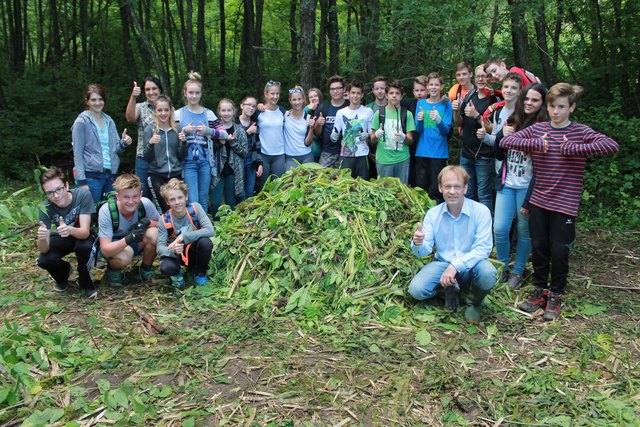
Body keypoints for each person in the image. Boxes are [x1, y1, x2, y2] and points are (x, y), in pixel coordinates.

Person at [500, 83, 619, 320]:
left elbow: (611, 145)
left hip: (565, 202)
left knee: (559, 250)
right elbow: (505, 142)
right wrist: (534, 144)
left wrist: (575, 149)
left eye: (561, 107)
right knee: (540, 248)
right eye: (552, 106)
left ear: (571, 107)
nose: (555, 112)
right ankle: (540, 291)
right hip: (539, 200)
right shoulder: (539, 130)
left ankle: (556, 294)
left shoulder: (580, 132)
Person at [408, 165, 497, 322]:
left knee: (488, 272)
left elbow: (483, 248)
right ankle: (446, 290)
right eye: (448, 186)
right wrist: (418, 244)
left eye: (457, 186)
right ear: (441, 188)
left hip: (471, 265)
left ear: (465, 188)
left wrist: (455, 266)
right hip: (442, 264)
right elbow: (423, 252)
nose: (452, 191)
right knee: (416, 290)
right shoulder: (433, 214)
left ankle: (473, 303)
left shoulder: (481, 212)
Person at [36, 167, 97, 298]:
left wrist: (69, 229)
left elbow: (85, 232)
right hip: (62, 236)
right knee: (44, 260)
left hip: (81, 234)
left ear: (67, 185)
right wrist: (41, 238)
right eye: (50, 193)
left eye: (59, 189)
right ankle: (63, 275)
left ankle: (85, 282)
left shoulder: (82, 195)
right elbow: (44, 249)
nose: (56, 196)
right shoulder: (44, 207)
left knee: (85, 247)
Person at [174, 71, 227, 211]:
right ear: (185, 93)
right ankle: (194, 227)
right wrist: (183, 130)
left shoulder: (207, 113)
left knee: (204, 199)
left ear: (201, 94)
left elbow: (224, 134)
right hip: (187, 162)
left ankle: (203, 230)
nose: (194, 96)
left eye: (197, 93)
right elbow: (170, 135)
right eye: (191, 92)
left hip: (205, 162)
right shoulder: (178, 114)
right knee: (192, 199)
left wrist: (208, 131)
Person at [72, 84, 133, 203]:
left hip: (111, 176)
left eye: (100, 99)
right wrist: (81, 181)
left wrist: (124, 143)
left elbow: (116, 150)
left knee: (109, 212)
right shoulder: (81, 122)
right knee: (91, 213)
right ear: (87, 101)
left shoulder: (109, 120)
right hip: (91, 177)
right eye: (93, 100)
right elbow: (77, 154)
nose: (97, 103)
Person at [98, 174, 160, 287]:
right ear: (118, 196)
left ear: (140, 194)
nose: (131, 201)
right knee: (124, 258)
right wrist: (128, 238)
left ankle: (146, 268)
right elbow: (105, 250)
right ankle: (113, 270)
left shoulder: (145, 204)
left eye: (135, 196)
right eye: (126, 197)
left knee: (154, 233)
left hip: (138, 241)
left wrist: (149, 222)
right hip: (116, 245)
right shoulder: (106, 211)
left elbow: (164, 226)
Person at [454, 65, 499, 212]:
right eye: (478, 76)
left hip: (484, 155)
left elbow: (495, 130)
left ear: (490, 78)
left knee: (484, 194)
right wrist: (456, 110)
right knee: (467, 192)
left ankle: (485, 229)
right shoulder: (469, 96)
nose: (481, 79)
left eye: (484, 76)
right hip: (466, 153)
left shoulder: (495, 100)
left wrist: (477, 115)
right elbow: (459, 122)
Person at [157, 179, 214, 287]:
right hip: (176, 254)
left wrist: (184, 236)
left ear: (186, 197)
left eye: (180, 197)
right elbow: (159, 248)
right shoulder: (164, 219)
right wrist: (172, 251)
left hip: (193, 251)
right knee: (166, 267)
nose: (177, 202)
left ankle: (199, 273)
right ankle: (176, 274)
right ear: (167, 202)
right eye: (172, 199)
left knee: (206, 243)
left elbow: (210, 230)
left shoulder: (195, 208)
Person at [143, 95, 188, 213]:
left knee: (178, 206)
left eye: (166, 110)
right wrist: (151, 143)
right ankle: (166, 230)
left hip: (175, 173)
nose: (163, 113)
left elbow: (181, 156)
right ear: (154, 112)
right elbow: (147, 157)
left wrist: (183, 143)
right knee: (164, 207)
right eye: (160, 110)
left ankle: (181, 231)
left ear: (171, 111)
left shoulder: (177, 130)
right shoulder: (150, 130)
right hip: (156, 174)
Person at [415, 72, 453, 203]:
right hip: (422, 151)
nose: (433, 87)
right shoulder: (421, 103)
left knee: (436, 189)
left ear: (441, 86)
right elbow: (418, 130)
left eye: (436, 84)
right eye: (431, 84)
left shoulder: (446, 105)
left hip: (439, 153)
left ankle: (437, 217)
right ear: (427, 86)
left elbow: (446, 131)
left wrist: (438, 119)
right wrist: (419, 121)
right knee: (421, 187)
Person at [370, 80, 416, 183]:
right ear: (386, 95)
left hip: (402, 159)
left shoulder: (407, 114)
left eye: (397, 93)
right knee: (384, 192)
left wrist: (404, 137)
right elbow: (372, 139)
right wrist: (377, 135)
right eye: (391, 93)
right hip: (383, 159)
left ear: (402, 96)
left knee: (401, 192)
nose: (394, 96)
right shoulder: (379, 114)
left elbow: (410, 140)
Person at [125, 76, 163, 199]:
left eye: (154, 88)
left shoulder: (168, 108)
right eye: (147, 89)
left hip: (163, 160)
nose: (151, 92)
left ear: (160, 89)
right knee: (142, 195)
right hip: (143, 159)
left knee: (163, 195)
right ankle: (144, 219)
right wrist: (133, 96)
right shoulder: (140, 107)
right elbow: (130, 118)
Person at [210, 99, 248, 219]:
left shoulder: (240, 130)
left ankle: (230, 228)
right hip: (217, 171)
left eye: (229, 110)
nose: (226, 113)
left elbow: (244, 153)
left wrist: (232, 142)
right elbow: (210, 150)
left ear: (233, 112)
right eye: (223, 110)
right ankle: (216, 228)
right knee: (215, 202)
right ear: (219, 112)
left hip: (233, 171)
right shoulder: (215, 130)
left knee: (231, 203)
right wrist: (220, 143)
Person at [332, 80, 373, 179]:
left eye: (358, 93)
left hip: (362, 155)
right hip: (345, 155)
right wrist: (334, 136)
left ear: (362, 95)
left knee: (362, 185)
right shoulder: (340, 113)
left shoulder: (368, 111)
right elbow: (334, 136)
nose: (355, 96)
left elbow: (372, 133)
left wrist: (367, 135)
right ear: (348, 94)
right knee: (345, 185)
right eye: (353, 93)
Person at [313, 75, 349, 168]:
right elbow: (317, 133)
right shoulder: (323, 106)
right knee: (322, 178)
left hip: (346, 152)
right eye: (332, 89)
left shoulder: (350, 106)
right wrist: (318, 124)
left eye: (338, 88)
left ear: (344, 89)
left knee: (345, 180)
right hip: (327, 152)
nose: (335, 91)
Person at [257, 81, 286, 182]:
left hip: (279, 154)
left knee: (278, 186)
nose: (275, 96)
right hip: (263, 155)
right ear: (266, 94)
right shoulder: (259, 112)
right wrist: (258, 105)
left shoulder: (282, 111)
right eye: (272, 93)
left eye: (277, 93)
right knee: (263, 187)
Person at [284, 86, 315, 170]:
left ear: (303, 100)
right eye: (294, 99)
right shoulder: (285, 115)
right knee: (291, 182)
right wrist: (260, 105)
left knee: (307, 182)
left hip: (306, 156)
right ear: (290, 100)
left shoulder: (308, 117)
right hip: (290, 157)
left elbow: (308, 143)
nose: (297, 102)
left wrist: (312, 128)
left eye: (299, 99)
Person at [238, 96, 263, 199]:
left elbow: (257, 145)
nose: (251, 108)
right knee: (239, 192)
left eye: (253, 106)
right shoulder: (235, 122)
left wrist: (259, 163)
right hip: (237, 163)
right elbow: (233, 142)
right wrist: (247, 132)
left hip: (251, 161)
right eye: (249, 105)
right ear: (242, 106)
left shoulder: (254, 123)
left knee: (249, 192)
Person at [305, 88, 324, 163]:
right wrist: (309, 108)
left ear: (319, 96)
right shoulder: (306, 111)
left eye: (315, 96)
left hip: (323, 151)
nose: (313, 98)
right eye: (311, 97)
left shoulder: (325, 108)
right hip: (310, 150)